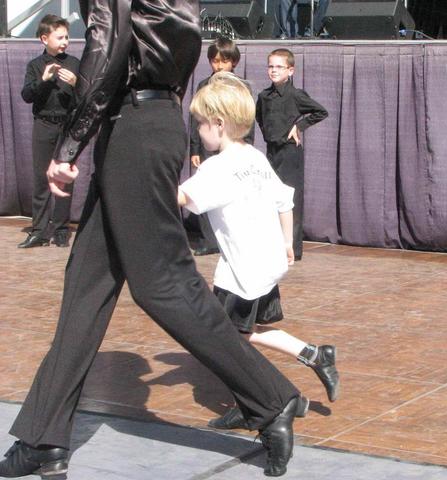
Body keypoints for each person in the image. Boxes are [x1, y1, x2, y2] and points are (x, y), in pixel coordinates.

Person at [0, 1, 301, 478]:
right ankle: (44, 437)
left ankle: (273, 398)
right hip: (146, 123)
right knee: (86, 285)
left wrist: (70, 145)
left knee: (163, 284)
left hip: (133, 129)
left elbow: (105, 48)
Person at [179, 72, 340, 430]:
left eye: (201, 124)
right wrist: (287, 243)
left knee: (223, 341)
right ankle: (313, 355)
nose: (198, 132)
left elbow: (177, 197)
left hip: (242, 271)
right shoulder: (253, 155)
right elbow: (284, 198)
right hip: (265, 262)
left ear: (218, 124)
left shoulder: (218, 167)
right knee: (239, 334)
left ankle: (270, 398)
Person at [256, 48, 328, 261]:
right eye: (271, 66)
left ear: (291, 70)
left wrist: (299, 126)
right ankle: (274, 245)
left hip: (289, 153)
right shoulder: (263, 96)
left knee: (291, 199)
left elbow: (321, 112)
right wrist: (270, 134)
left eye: (279, 67)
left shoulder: (296, 95)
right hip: (272, 152)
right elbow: (259, 118)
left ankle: (293, 250)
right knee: (270, 199)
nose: (274, 70)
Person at [18, 14, 79, 249]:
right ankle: (39, 230)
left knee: (64, 178)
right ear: (44, 38)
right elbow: (26, 96)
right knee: (42, 178)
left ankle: (61, 228)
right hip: (43, 125)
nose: (65, 41)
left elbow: (85, 97)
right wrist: (43, 80)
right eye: (59, 37)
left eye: (66, 37)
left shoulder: (74, 63)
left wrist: (76, 83)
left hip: (67, 127)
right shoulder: (35, 65)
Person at [188, 36, 242, 257]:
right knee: (206, 191)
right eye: (215, 61)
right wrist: (194, 149)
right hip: (206, 147)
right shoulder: (203, 86)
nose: (219, 66)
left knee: (231, 192)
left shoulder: (238, 87)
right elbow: (195, 119)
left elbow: (244, 118)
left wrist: (245, 145)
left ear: (233, 63)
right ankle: (208, 240)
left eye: (224, 61)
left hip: (231, 145)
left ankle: (232, 238)